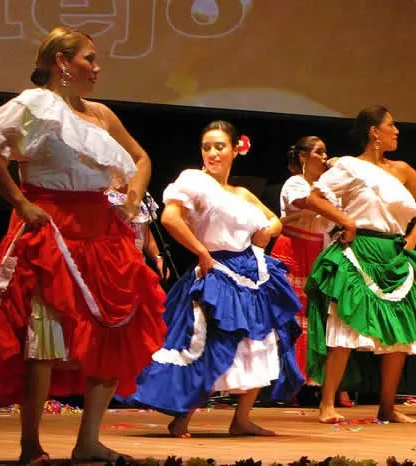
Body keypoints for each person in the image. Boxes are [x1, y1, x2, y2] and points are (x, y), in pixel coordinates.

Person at [0, 26, 166, 463]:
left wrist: (134, 196)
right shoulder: (32, 107)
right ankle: (31, 444)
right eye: (90, 58)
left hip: (102, 229)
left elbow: (141, 158)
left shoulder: (100, 114)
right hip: (51, 226)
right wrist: (21, 202)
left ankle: (88, 440)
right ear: (62, 63)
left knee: (111, 331)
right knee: (42, 337)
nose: (97, 67)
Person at [119, 120, 303, 437]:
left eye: (220, 146)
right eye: (207, 147)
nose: (213, 153)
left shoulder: (242, 193)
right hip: (217, 270)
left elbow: (275, 221)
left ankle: (242, 419)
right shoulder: (194, 181)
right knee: (211, 343)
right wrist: (201, 252)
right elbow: (170, 218)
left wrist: (266, 232)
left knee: (259, 342)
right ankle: (182, 418)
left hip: (254, 272)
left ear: (235, 150)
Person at [303, 105, 416, 424]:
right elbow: (315, 198)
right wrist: (345, 219)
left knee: (400, 331)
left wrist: (413, 240)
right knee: (346, 324)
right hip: (359, 249)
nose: (397, 131)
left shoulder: (402, 169)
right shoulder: (349, 167)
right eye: (391, 125)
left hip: (395, 252)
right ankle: (327, 403)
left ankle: (387, 406)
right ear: (374, 131)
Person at [270, 137, 352, 407]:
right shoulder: (296, 184)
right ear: (304, 157)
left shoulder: (326, 189)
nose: (325, 156)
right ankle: (287, 383)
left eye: (326, 151)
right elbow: (311, 204)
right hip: (293, 249)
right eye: (319, 152)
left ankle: (313, 382)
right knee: (291, 318)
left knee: (315, 319)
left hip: (317, 250)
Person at [105, 188, 169, 280]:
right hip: (114, 264)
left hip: (138, 263)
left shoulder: (142, 195)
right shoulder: (104, 195)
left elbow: (145, 233)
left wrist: (158, 258)